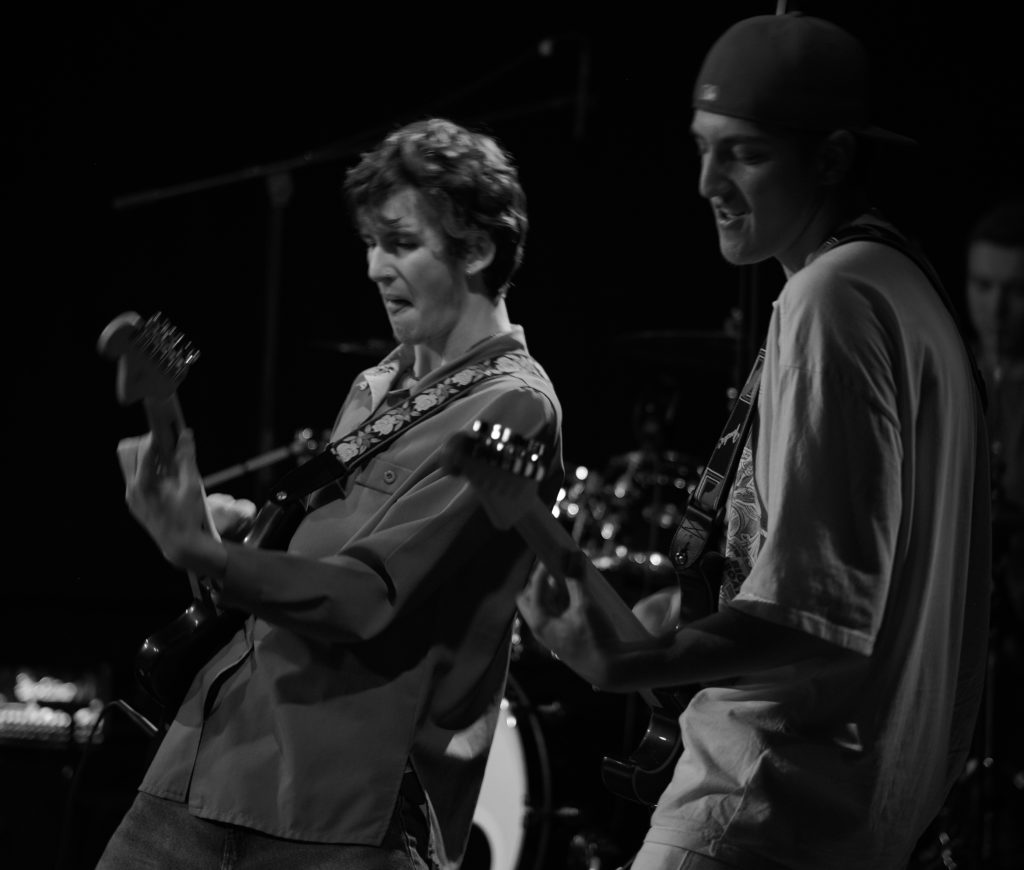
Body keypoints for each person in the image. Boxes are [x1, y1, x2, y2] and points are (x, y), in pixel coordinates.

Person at [517, 13, 992, 870]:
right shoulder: (906, 288)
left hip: (760, 804)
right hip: (849, 820)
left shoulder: (830, 298)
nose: (708, 181)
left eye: (745, 154)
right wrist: (687, 617)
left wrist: (630, 662)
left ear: (832, 158)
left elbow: (819, 612)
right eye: (703, 149)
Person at [97, 117, 564, 870]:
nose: (376, 267)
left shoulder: (514, 409)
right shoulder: (379, 383)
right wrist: (234, 538)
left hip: (340, 811)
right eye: (370, 243)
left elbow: (366, 598)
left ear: (477, 249)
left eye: (401, 243)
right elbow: (309, 572)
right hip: (203, 763)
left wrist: (212, 555)